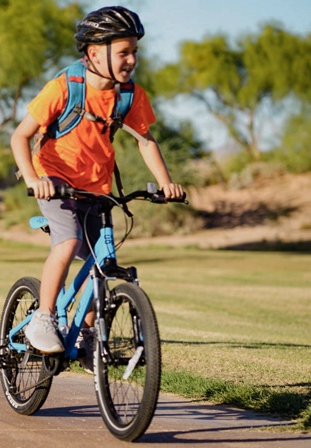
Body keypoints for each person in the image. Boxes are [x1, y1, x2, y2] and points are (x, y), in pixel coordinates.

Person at [10, 6, 186, 368]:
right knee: (70, 241)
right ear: (94, 53)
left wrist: (166, 184)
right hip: (54, 180)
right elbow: (20, 136)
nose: (132, 60)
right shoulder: (65, 86)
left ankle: (90, 333)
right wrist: (33, 179)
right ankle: (44, 317)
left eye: (135, 51)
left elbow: (146, 140)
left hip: (96, 188)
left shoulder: (129, 96)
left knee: (103, 263)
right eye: (124, 52)